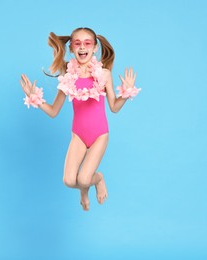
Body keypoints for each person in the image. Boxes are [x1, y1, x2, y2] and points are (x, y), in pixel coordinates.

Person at [19, 27, 140, 211]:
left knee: (84, 178)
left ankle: (97, 178)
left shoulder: (104, 74)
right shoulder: (67, 76)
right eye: (77, 43)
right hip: (79, 135)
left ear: (95, 47)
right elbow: (53, 112)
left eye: (87, 43)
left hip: (100, 134)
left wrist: (126, 92)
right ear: (71, 48)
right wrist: (34, 97)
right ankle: (84, 190)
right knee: (68, 180)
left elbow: (114, 107)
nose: (82, 47)